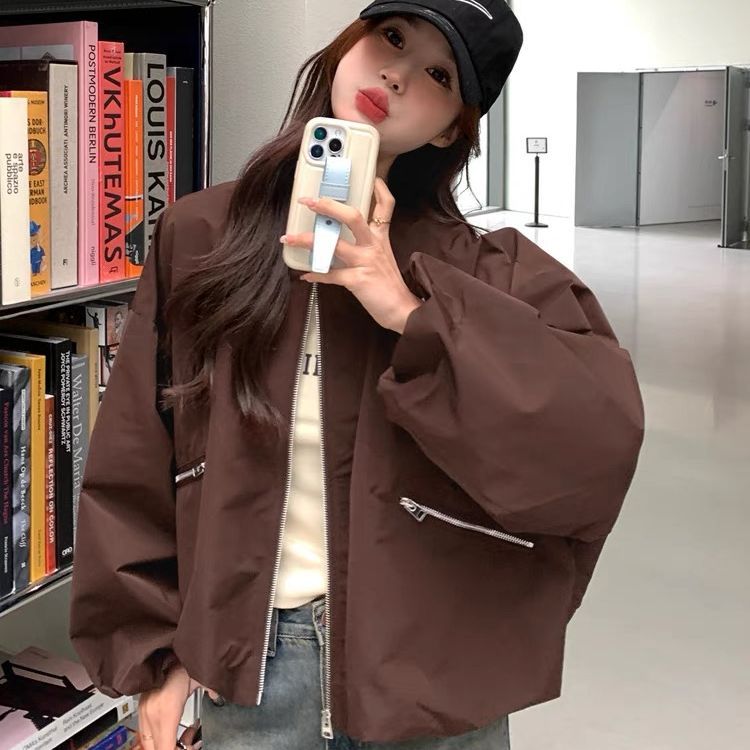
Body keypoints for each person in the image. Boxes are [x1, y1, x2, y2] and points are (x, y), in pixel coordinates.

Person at [69, 1, 645, 749]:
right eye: (391, 37)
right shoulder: (201, 236)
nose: (397, 74)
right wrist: (154, 655)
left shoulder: (489, 274)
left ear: (452, 128)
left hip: (433, 673)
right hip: (254, 672)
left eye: (439, 74)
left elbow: (590, 453)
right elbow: (137, 456)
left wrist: (411, 313)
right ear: (348, 45)